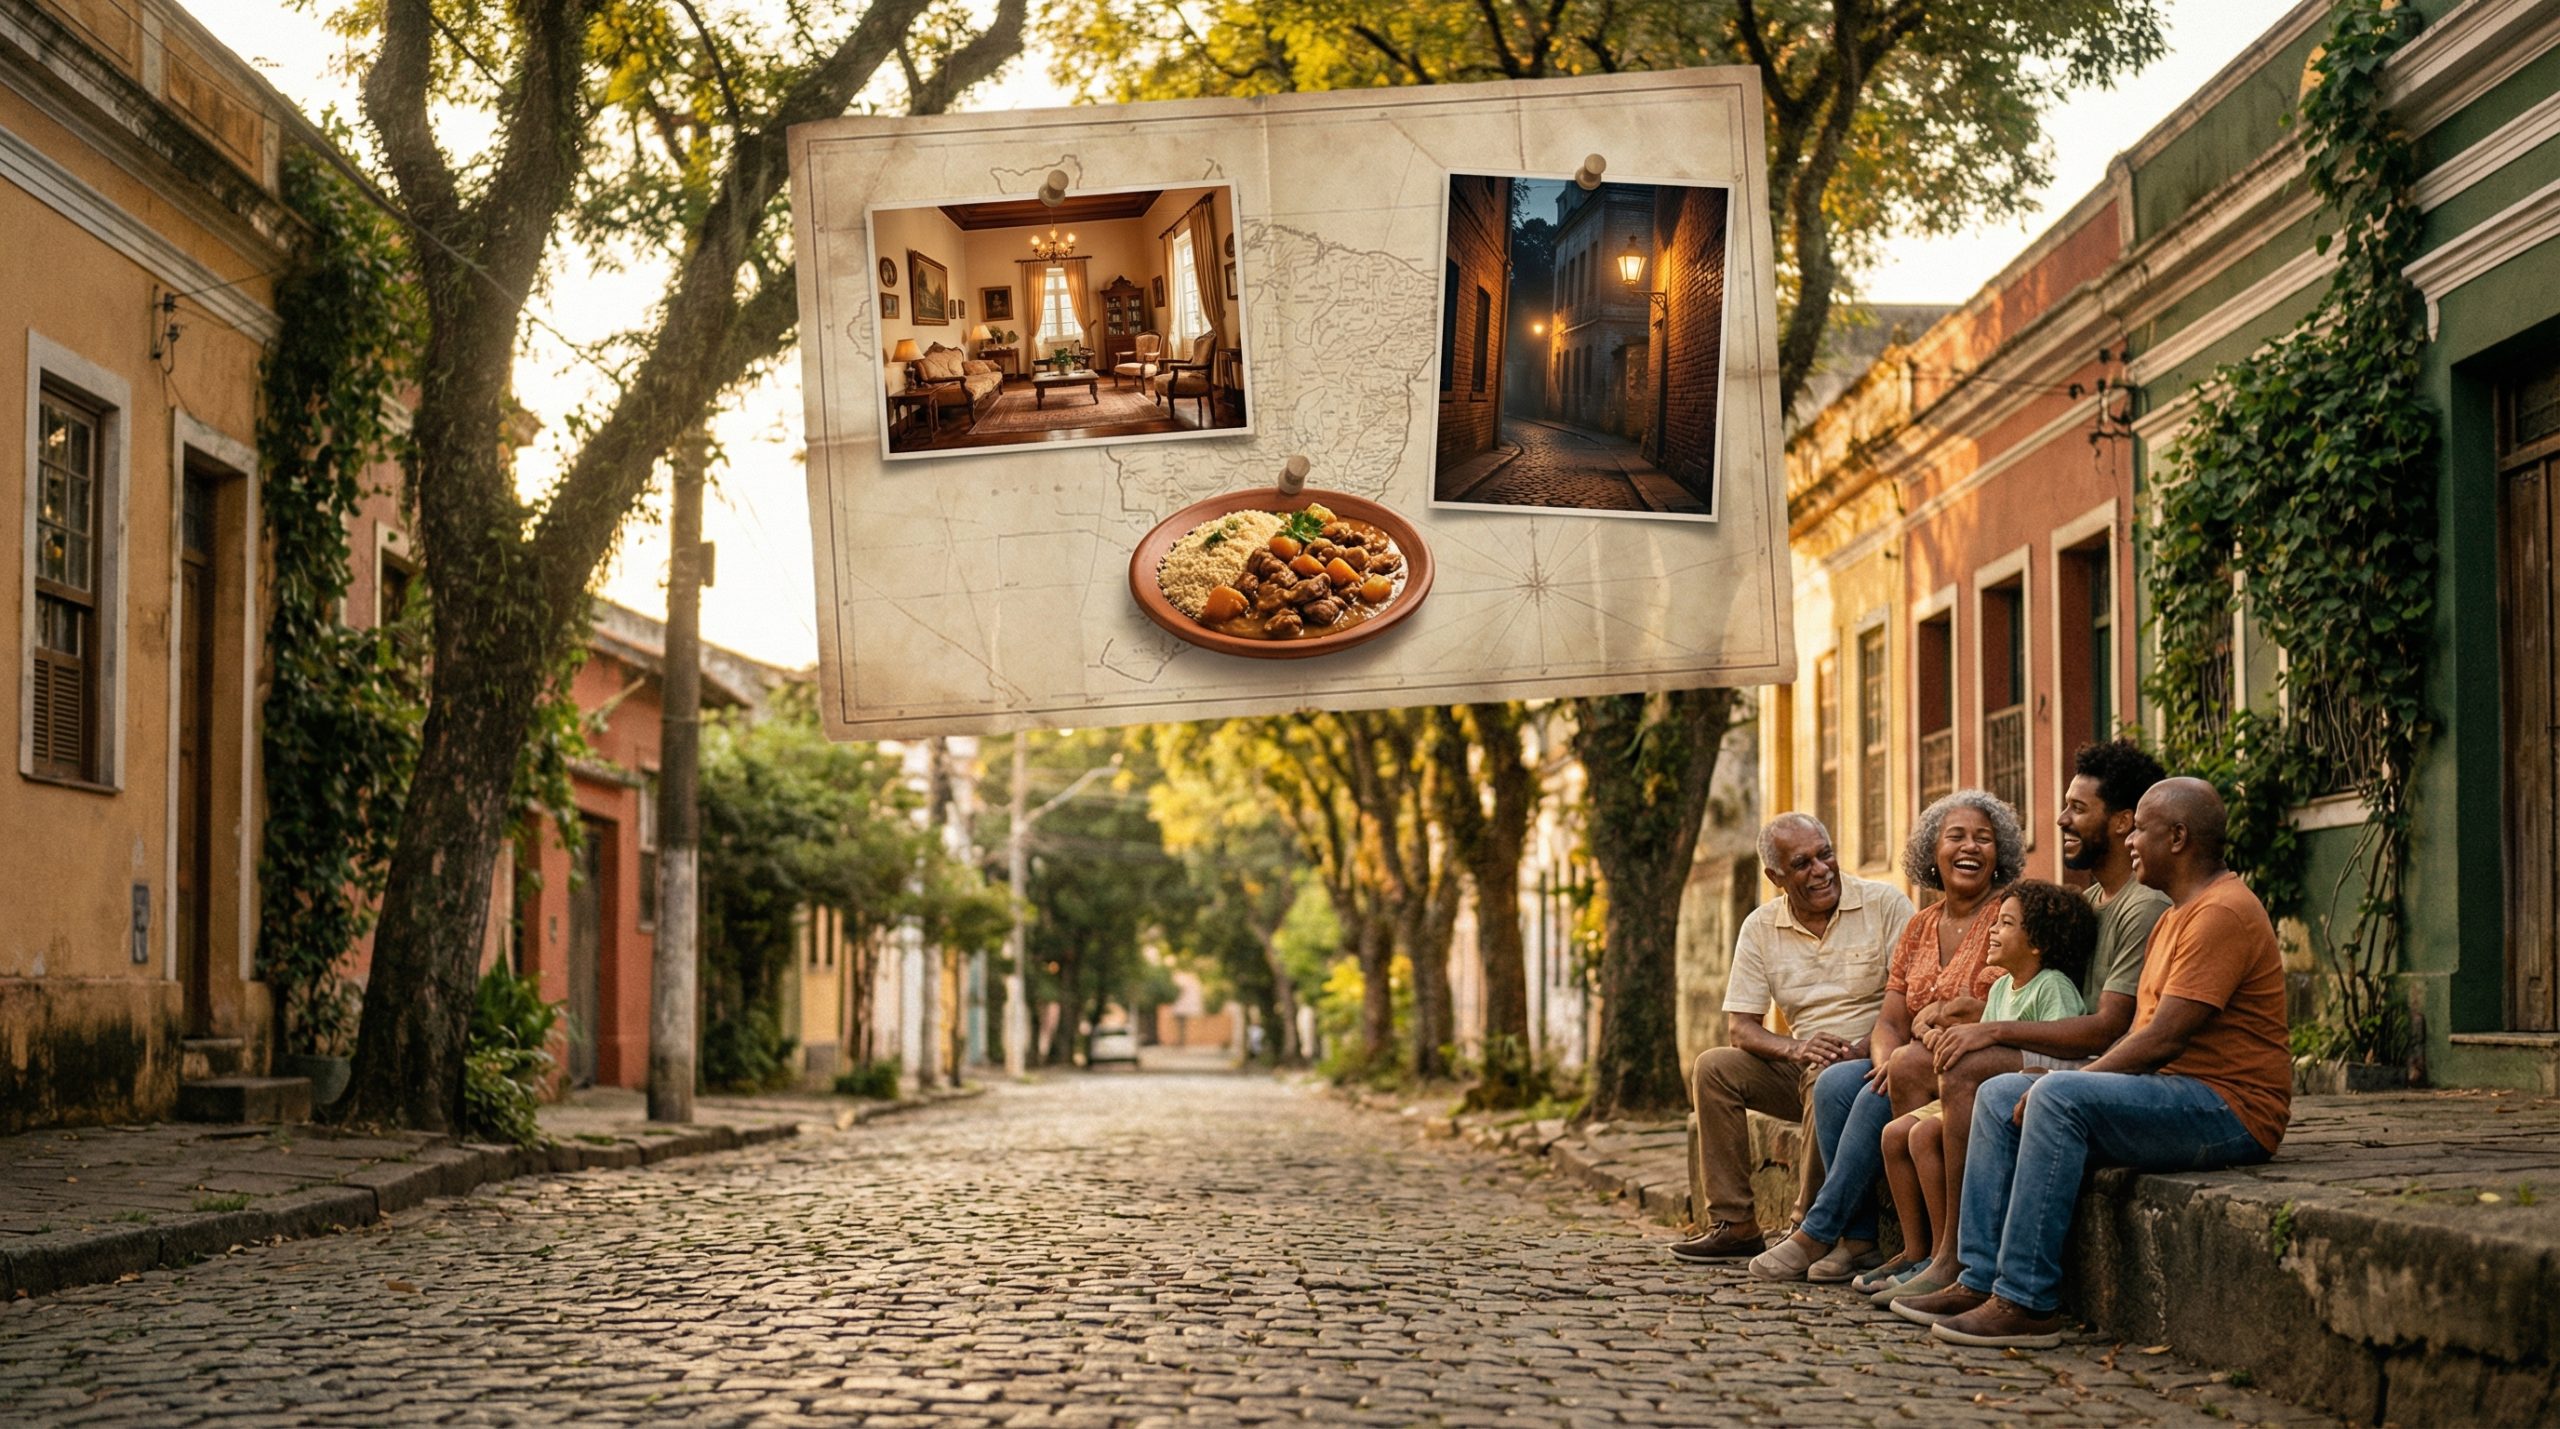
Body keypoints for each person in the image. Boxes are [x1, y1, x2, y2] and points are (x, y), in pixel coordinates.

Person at [1893, 778, 2294, 1348]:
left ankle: (2026, 1302)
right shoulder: (2179, 913)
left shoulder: (2220, 913)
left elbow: (2161, 1039)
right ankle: (1977, 1277)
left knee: (2057, 1098)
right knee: (1999, 1091)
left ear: (2177, 838)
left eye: (2142, 828)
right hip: (2171, 1091)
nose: (2129, 838)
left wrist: (2073, 1081)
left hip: (2229, 1109)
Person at [1902, 740, 2169, 1295]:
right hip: (2074, 1056)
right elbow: (2054, 993)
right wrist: (1977, 1011)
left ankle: (1957, 1259)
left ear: (2122, 823)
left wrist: (1993, 1028)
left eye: (2078, 808)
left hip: (2110, 1067)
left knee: (1971, 1068)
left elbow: (2105, 1026)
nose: (2062, 818)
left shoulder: (2142, 907)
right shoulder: (2093, 899)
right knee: (1946, 1072)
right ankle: (1946, 1256)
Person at [1747, 790, 2024, 1283]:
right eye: (1956, 837)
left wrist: (1911, 1055)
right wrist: (1886, 1059)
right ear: (1932, 853)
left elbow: (2011, 1003)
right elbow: (1891, 1018)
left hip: (1974, 1067)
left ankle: (1817, 1230)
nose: (1971, 848)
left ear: (1999, 852)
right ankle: (1859, 1242)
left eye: (1984, 839)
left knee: (1888, 1076)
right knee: (1837, 1081)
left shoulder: (2009, 917)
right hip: (1913, 1063)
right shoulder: (1920, 925)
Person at [1668, 814, 1914, 1261]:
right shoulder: (1761, 927)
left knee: (1827, 1077)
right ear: (1775, 877)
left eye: (1826, 854)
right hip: (1801, 1062)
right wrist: (1795, 1048)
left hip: (1870, 1062)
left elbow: (1915, 1000)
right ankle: (1736, 1223)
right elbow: (1740, 1027)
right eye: (1802, 863)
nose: (1820, 870)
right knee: (1713, 1068)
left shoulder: (1885, 905)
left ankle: (1808, 1227)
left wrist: (1863, 1046)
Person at [1868, 882, 2093, 1303]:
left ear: (2038, 944)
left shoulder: (2052, 986)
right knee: (1896, 1134)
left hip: (2031, 1085)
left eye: (2005, 924)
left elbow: (2061, 1050)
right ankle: (1926, 1252)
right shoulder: (2002, 989)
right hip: (1988, 1087)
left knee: (1921, 1134)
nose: (1992, 930)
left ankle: (1947, 1258)